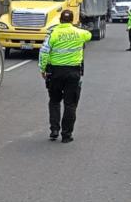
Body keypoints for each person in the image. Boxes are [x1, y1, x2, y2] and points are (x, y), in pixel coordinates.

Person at [39, 10, 92, 143]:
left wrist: (42, 69)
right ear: (72, 20)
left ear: (60, 20)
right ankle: (66, 135)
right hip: (73, 73)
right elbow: (89, 35)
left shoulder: (53, 33)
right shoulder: (80, 33)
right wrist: (76, 27)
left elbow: (44, 52)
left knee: (55, 101)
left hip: (55, 73)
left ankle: (54, 130)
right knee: (70, 104)